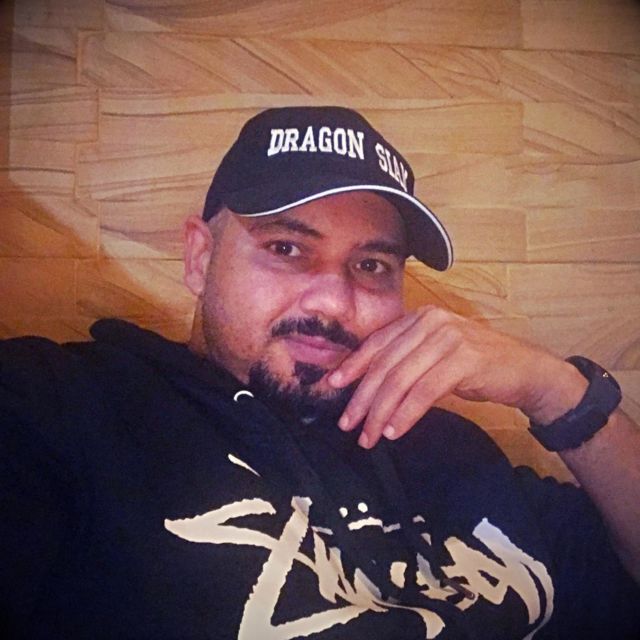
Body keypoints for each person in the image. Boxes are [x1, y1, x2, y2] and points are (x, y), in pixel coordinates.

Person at [1, 106, 639, 640]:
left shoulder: (453, 453)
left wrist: (556, 391)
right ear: (199, 258)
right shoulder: (61, 407)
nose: (334, 302)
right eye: (286, 248)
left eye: (372, 265)